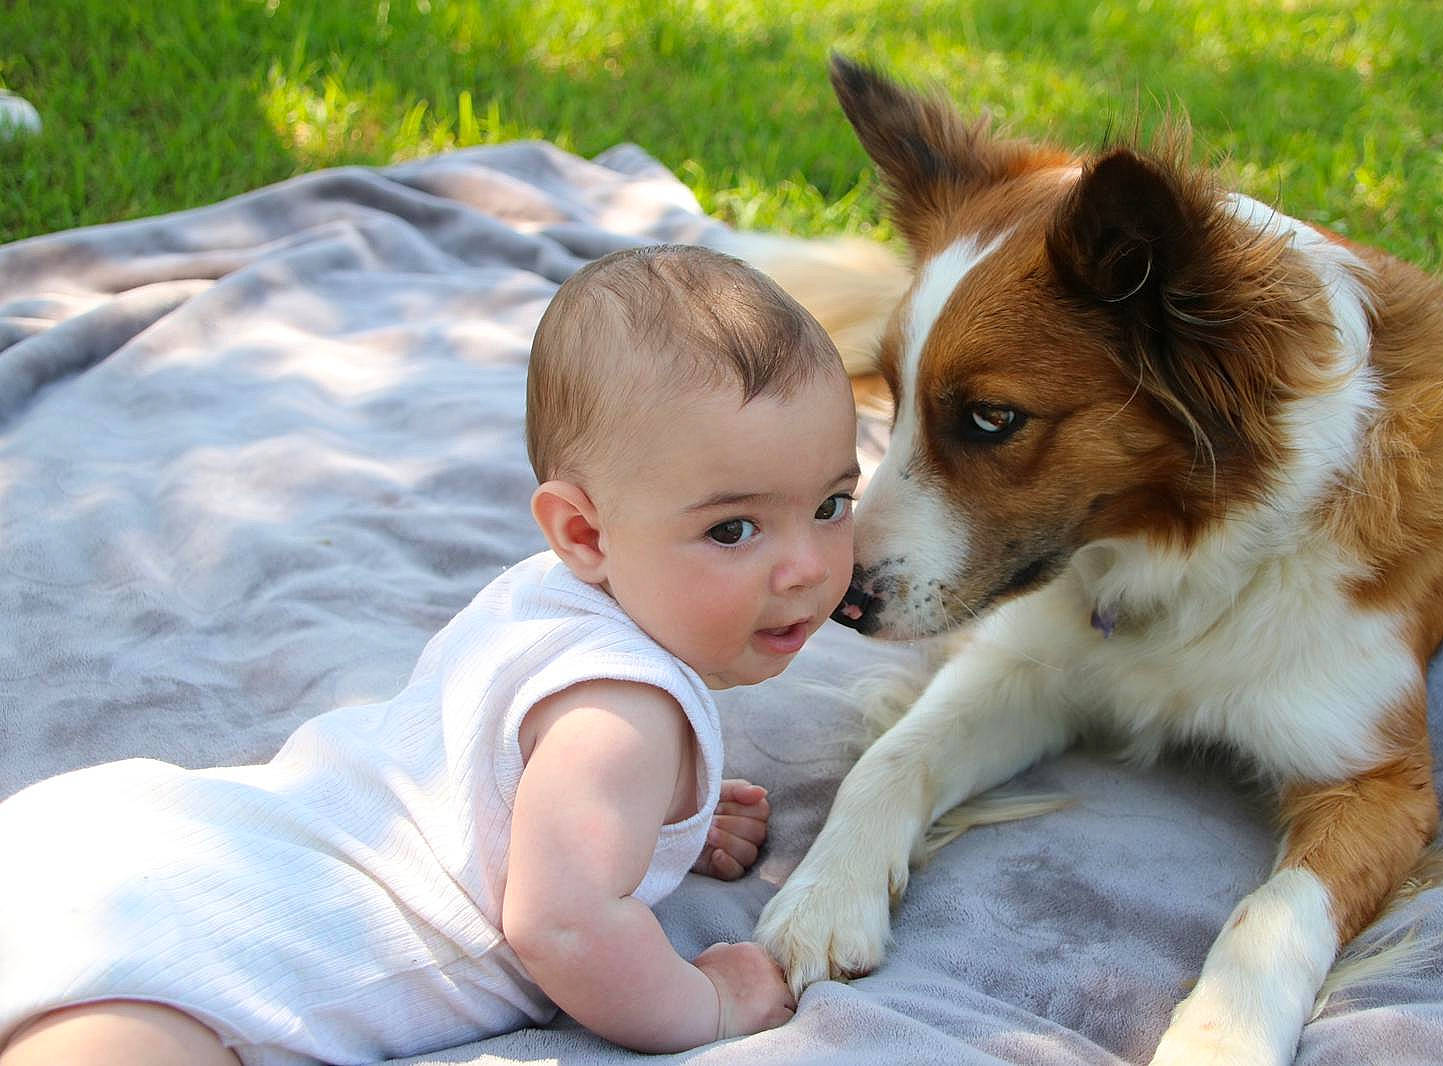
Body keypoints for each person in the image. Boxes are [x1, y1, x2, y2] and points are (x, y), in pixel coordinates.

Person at [0, 244, 862, 1065]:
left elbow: (512, 779)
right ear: (584, 533)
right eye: (733, 529)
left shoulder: (548, 600)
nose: (806, 567)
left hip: (148, 841)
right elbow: (565, 927)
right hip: (239, 950)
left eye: (830, 506)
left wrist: (656, 823)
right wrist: (706, 1004)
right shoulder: (620, 721)